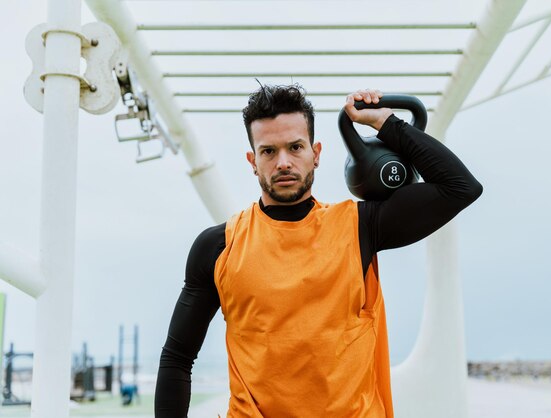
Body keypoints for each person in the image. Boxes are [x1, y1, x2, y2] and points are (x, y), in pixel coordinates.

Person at [154, 85, 482, 417]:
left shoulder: (358, 228)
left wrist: (386, 123)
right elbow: (178, 358)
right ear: (253, 161)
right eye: (269, 151)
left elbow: (459, 187)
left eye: (295, 147)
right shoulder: (219, 246)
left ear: (317, 153)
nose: (283, 162)